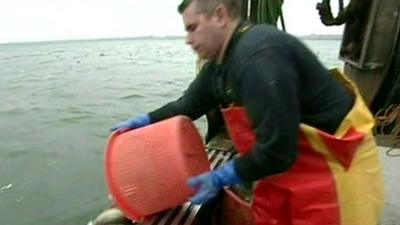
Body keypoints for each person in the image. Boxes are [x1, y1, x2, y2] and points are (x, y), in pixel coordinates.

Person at [111, 0, 384, 224]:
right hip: (283, 167)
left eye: (193, 28)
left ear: (220, 15)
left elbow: (278, 151)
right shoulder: (219, 65)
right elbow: (186, 106)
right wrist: (145, 122)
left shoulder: (259, 57)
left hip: (333, 167)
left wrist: (222, 176)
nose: (188, 40)